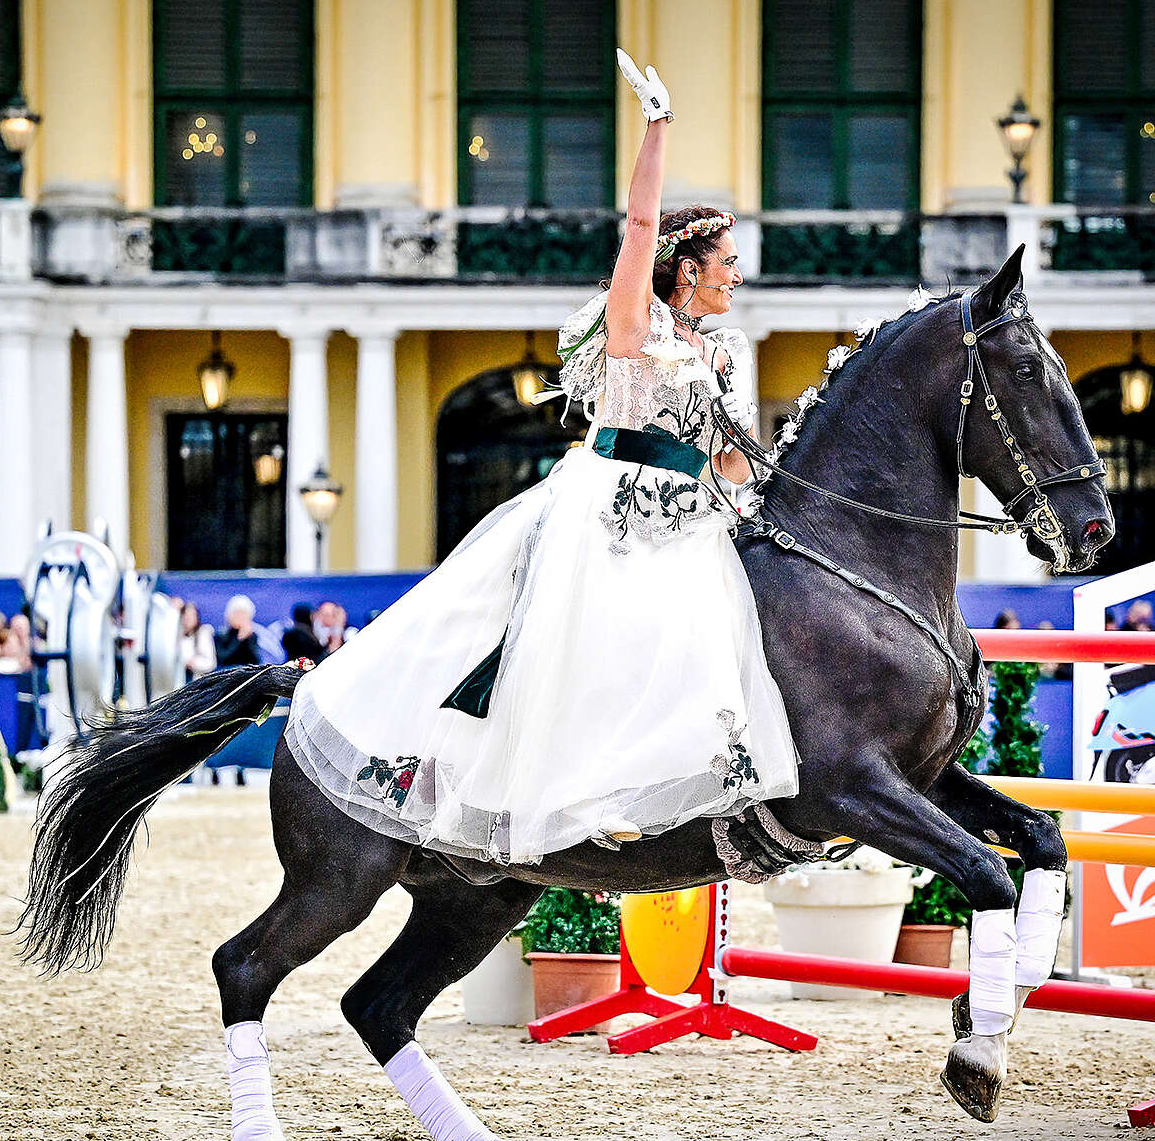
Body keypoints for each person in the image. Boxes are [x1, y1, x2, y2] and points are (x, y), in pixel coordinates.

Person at [284, 51, 797, 866]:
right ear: (688, 269)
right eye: (727, 262)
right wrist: (658, 129)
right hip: (610, 505)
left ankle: (687, 796)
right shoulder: (636, 326)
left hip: (693, 515)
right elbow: (639, 228)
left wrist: (764, 483)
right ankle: (568, 793)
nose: (738, 275)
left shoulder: (728, 351)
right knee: (591, 640)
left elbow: (732, 457)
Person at [214, 595, 261, 669]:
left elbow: (256, 661)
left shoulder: (252, 636)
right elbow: (222, 659)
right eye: (237, 614)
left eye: (244, 614)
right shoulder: (221, 635)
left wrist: (248, 639)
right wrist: (239, 639)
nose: (240, 618)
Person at [178, 601, 216, 680]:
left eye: (192, 615)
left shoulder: (203, 633)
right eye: (186, 615)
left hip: (196, 680)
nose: (188, 618)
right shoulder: (175, 636)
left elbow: (211, 664)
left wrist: (193, 663)